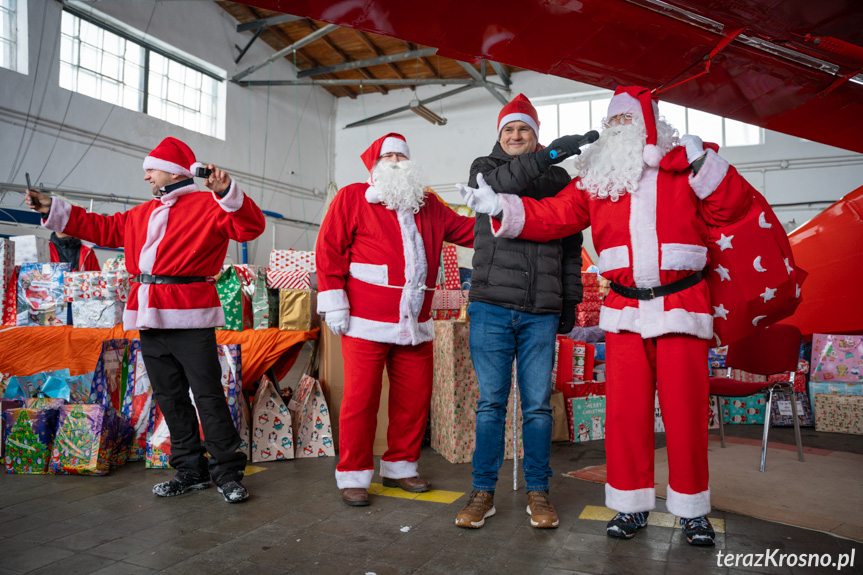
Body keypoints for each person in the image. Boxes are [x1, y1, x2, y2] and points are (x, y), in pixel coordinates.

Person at [460, 86, 753, 545]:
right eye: (613, 122)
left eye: (628, 121)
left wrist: (706, 166)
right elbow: (554, 217)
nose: (619, 130)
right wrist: (502, 206)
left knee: (685, 415)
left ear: (650, 124)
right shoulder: (598, 178)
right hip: (625, 311)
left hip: (680, 306)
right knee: (625, 415)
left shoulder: (685, 167)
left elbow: (732, 210)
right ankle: (630, 506)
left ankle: (692, 508)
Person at [26, 137, 265, 503]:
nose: (146, 178)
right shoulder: (140, 215)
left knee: (208, 397)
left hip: (191, 316)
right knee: (170, 398)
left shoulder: (211, 205)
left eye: (149, 169)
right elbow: (98, 227)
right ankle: (190, 471)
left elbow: (251, 227)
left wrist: (229, 192)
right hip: (149, 316)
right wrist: (52, 208)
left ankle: (228, 472)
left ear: (173, 171)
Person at [316, 133, 475, 506]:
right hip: (365, 322)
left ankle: (401, 466)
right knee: (360, 400)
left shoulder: (429, 204)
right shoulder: (353, 197)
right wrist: (335, 302)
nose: (395, 162)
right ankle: (353, 474)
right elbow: (329, 248)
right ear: (374, 164)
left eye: (401, 156)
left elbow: (468, 232)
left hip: (415, 323)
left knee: (414, 399)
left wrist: (495, 211)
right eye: (387, 156)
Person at [454, 94, 584, 530]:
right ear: (499, 135)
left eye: (523, 129)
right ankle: (482, 492)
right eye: (508, 129)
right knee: (491, 404)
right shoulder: (483, 170)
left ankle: (538, 493)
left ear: (535, 133)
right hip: (491, 305)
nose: (515, 135)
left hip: (540, 310)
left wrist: (570, 299)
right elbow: (505, 187)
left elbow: (570, 246)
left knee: (538, 408)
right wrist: (546, 155)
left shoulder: (559, 178)